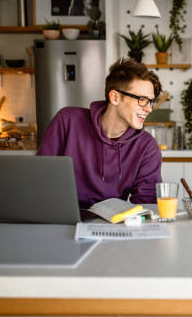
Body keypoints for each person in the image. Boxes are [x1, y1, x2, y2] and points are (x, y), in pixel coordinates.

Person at [37, 58, 162, 208]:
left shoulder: (146, 146)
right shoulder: (68, 121)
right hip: (64, 219)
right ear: (115, 97)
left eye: (151, 102)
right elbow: (40, 178)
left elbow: (147, 203)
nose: (149, 109)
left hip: (113, 226)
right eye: (142, 100)